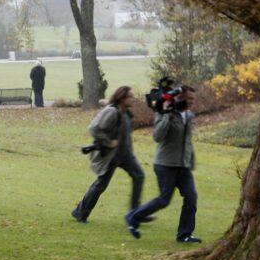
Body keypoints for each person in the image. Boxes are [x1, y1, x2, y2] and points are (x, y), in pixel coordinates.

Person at [125, 86, 201, 243]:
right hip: (165, 164)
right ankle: (133, 216)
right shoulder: (163, 112)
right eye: (189, 99)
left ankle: (184, 234)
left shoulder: (188, 115)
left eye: (193, 99)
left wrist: (190, 159)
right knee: (164, 199)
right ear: (179, 98)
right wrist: (166, 113)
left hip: (183, 166)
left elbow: (187, 140)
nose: (192, 103)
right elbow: (158, 136)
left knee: (191, 198)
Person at [70, 86, 145, 223]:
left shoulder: (126, 112)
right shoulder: (112, 111)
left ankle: (135, 214)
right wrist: (108, 142)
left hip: (126, 155)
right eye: (130, 97)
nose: (133, 99)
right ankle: (80, 213)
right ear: (122, 98)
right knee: (100, 185)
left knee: (139, 176)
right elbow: (93, 128)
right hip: (112, 156)